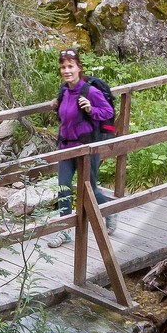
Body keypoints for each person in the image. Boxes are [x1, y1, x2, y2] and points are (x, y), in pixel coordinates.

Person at [46, 48, 113, 246]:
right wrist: (56, 104)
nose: (67, 71)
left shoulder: (90, 91)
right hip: (66, 147)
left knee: (90, 190)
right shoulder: (64, 91)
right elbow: (66, 113)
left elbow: (108, 112)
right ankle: (64, 231)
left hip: (86, 148)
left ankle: (110, 211)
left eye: (70, 66)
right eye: (63, 67)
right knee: (63, 188)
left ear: (79, 68)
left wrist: (91, 109)